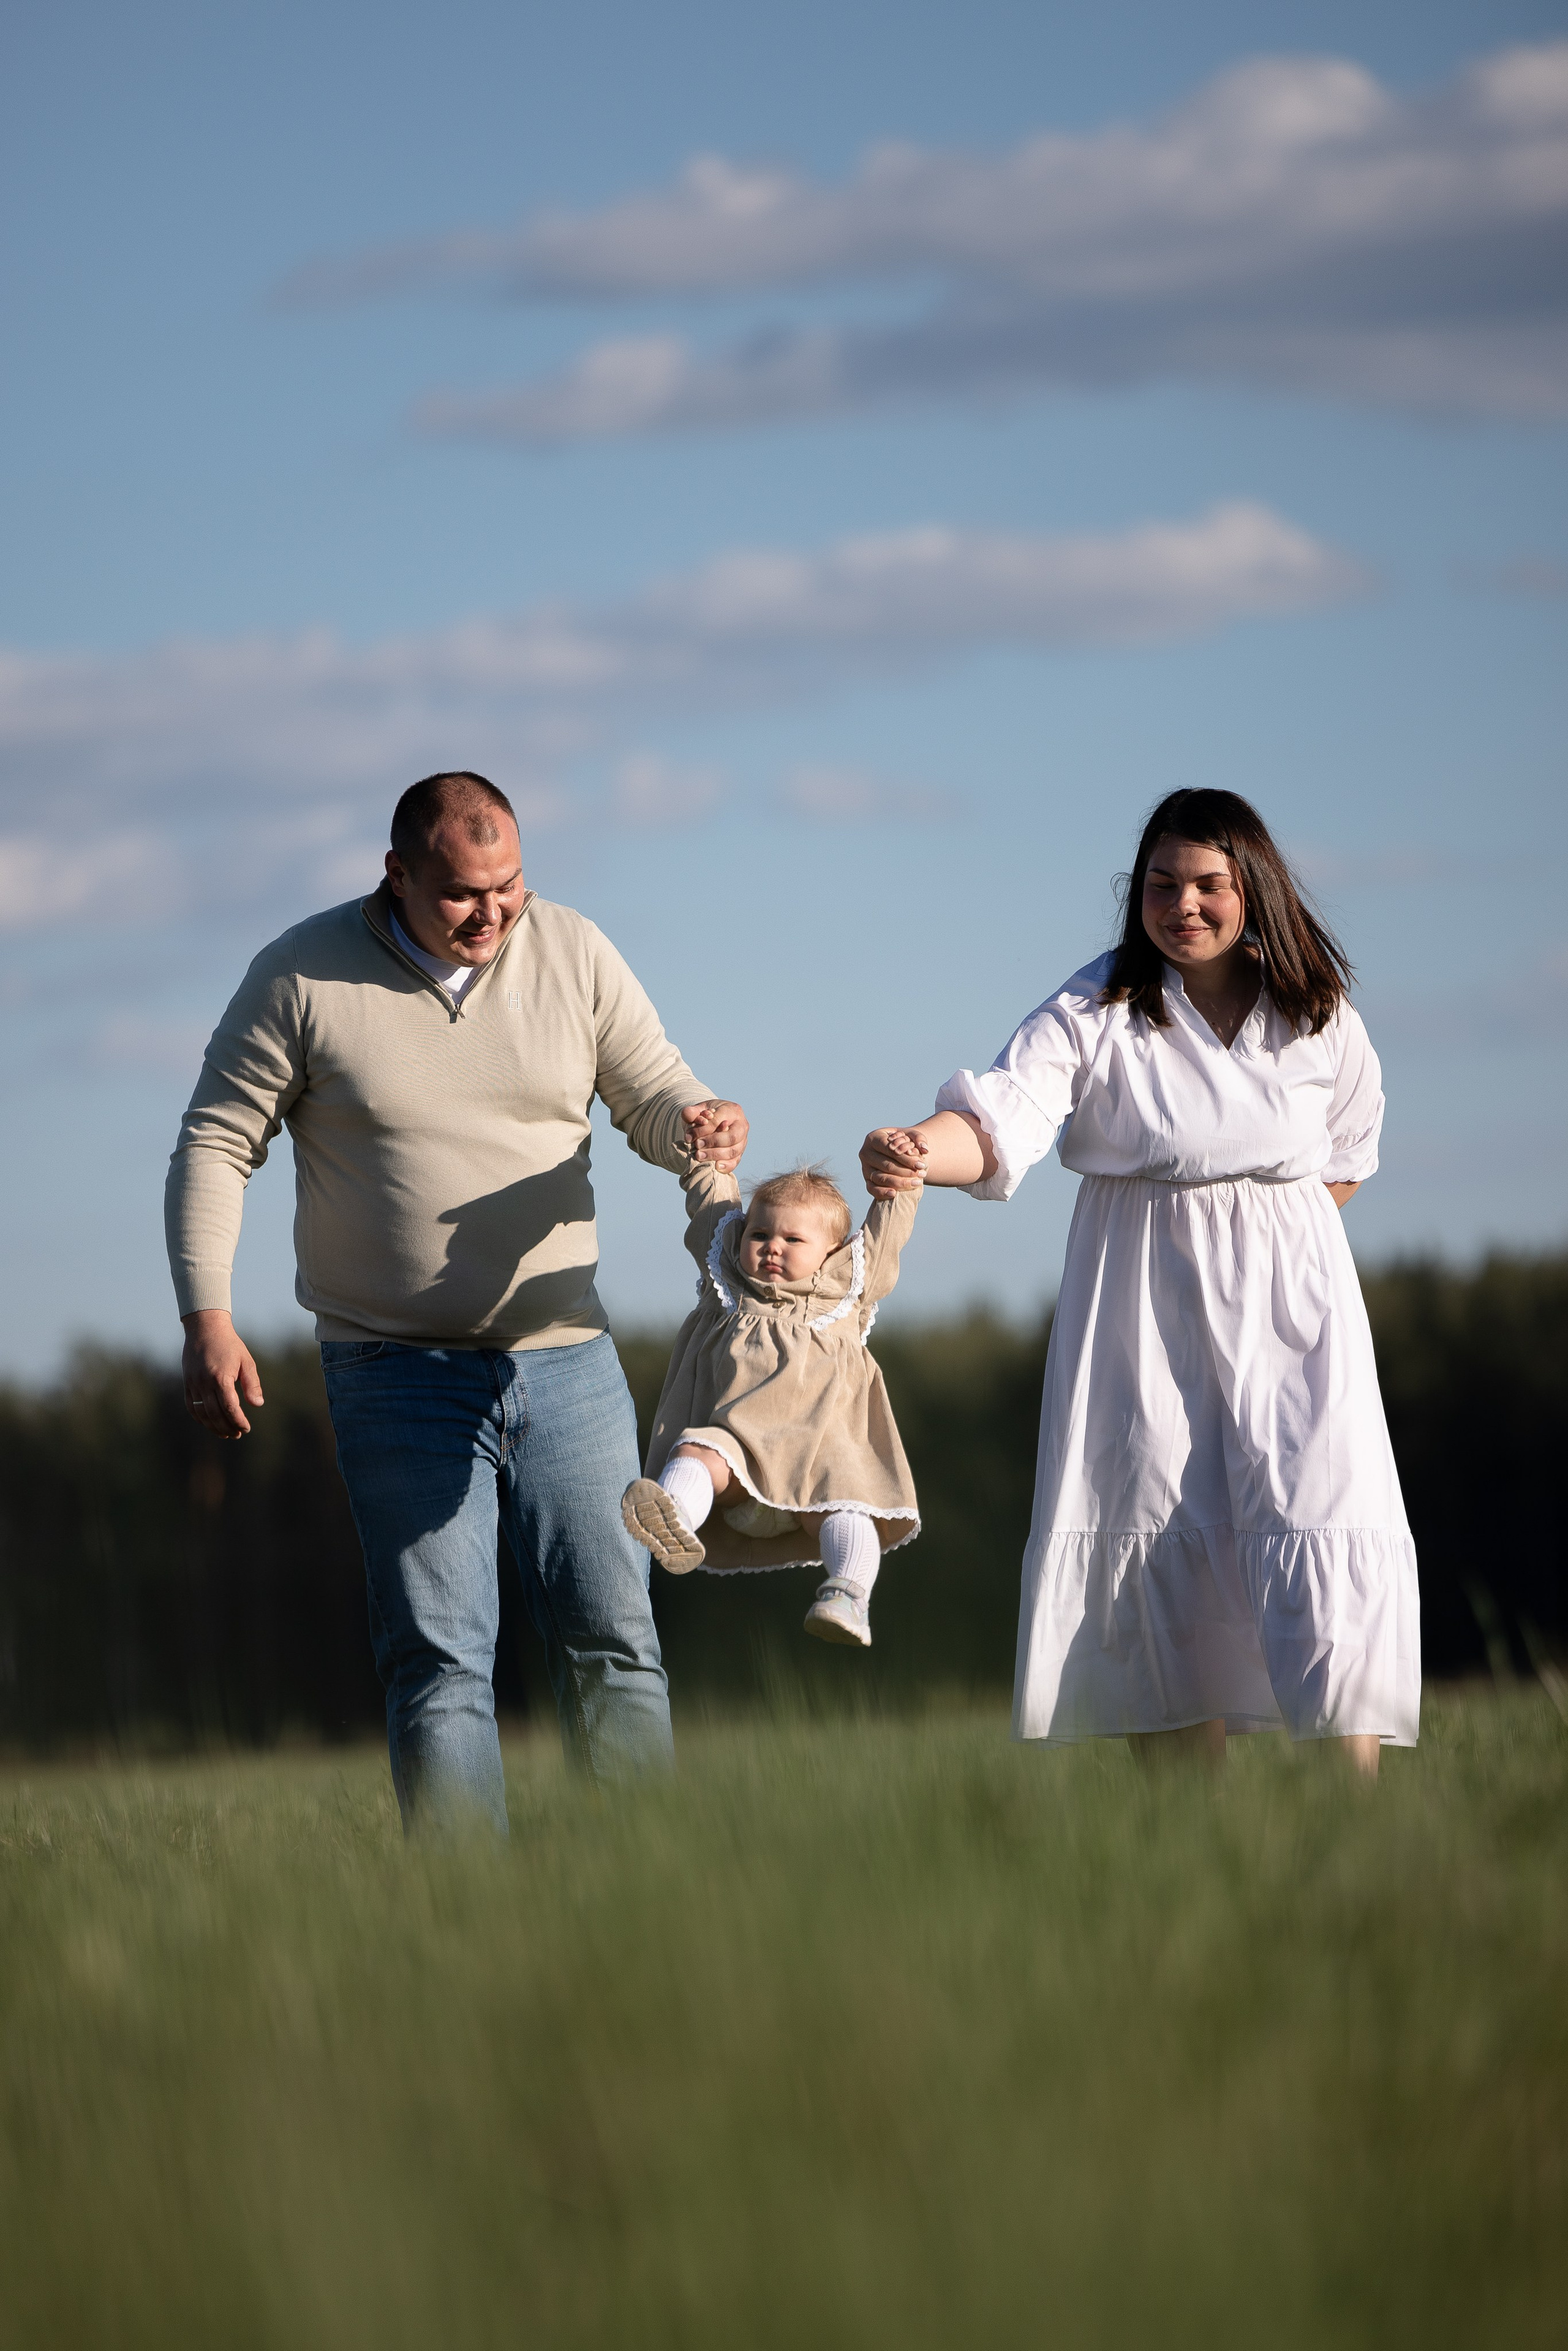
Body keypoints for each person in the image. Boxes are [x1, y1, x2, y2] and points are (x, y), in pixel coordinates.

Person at [168, 769, 748, 1829]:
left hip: (570, 1357)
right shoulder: (302, 974)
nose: (492, 912)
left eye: (510, 885)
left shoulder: (572, 949)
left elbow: (653, 1092)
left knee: (614, 1636)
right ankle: (467, 1926)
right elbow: (214, 1141)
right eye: (461, 893)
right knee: (440, 1658)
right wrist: (207, 1314)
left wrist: (697, 1122)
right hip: (393, 1373)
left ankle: (645, 1895)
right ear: (396, 875)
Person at [861, 788, 1418, 1775]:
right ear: (1138, 894)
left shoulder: (1318, 1013)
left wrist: (1267, 1249)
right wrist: (916, 1147)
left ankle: (1355, 1810)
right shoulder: (1098, 1005)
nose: (1185, 905)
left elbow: (1346, 1156)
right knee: (1149, 1517)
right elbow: (1001, 1117)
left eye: (1209, 883)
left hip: (1297, 1315)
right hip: (1141, 1307)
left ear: (1256, 890)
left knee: (1318, 1514)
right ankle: (1184, 1836)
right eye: (1164, 884)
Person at [619, 1161, 922, 1647]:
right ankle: (674, 1513)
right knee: (697, 1449)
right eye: (759, 1234)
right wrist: (708, 1160)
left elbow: (888, 1232)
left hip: (815, 1476)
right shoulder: (729, 1283)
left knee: (851, 1506)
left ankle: (847, 1596)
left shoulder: (846, 1291)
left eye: (793, 1240)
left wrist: (900, 1180)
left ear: (834, 1252)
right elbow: (710, 1210)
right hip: (738, 1464)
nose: (772, 1247)